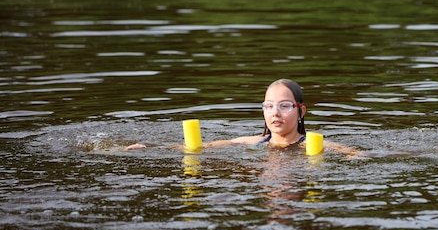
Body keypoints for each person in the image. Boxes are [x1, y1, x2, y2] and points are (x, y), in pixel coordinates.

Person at [126, 79, 363, 157]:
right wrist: (150, 147)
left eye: (285, 106)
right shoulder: (253, 142)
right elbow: (203, 147)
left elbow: (354, 153)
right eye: (269, 106)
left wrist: (354, 157)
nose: (275, 113)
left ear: (302, 111)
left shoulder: (313, 145)